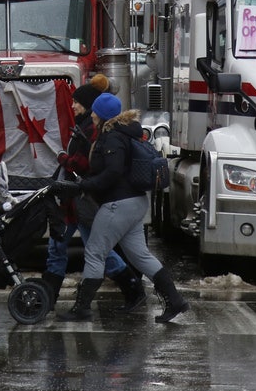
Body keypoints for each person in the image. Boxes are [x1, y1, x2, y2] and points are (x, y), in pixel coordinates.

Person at [56, 92, 189, 324]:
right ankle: (175, 300)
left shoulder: (113, 137)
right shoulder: (125, 133)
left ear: (100, 113)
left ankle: (82, 308)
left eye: (95, 110)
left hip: (119, 204)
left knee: (95, 252)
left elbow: (113, 171)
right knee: (140, 256)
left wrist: (84, 186)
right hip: (135, 202)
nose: (92, 113)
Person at [43, 75, 146, 312]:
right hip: (76, 199)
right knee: (64, 247)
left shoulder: (91, 130)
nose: (73, 106)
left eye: (77, 102)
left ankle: (130, 289)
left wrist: (63, 159)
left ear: (90, 106)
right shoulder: (85, 126)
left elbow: (85, 164)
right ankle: (48, 299)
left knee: (85, 249)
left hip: (80, 200)